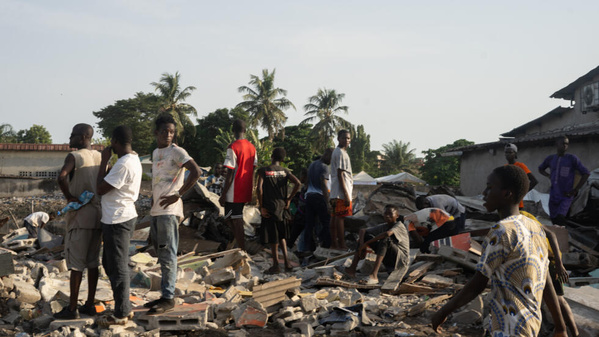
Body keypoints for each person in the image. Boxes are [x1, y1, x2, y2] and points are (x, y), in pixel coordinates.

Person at [432, 165, 567, 337]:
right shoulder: (534, 227)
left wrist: (442, 312)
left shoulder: (502, 231)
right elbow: (545, 277)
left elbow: (477, 285)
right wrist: (560, 326)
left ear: (506, 193)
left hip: (509, 328)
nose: (483, 192)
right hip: (531, 324)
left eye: (489, 187)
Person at [145, 114, 200, 315]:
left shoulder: (178, 152)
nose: (168, 135)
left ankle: (168, 298)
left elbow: (196, 172)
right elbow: (159, 179)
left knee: (168, 253)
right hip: (157, 209)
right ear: (156, 133)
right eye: (165, 131)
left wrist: (178, 194)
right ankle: (164, 295)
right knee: (161, 253)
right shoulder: (155, 152)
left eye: (171, 132)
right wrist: (153, 197)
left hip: (170, 210)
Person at [54, 123, 103, 320]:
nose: (70, 139)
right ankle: (89, 304)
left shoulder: (74, 157)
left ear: (83, 137)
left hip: (80, 215)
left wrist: (69, 197)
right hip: (98, 215)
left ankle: (72, 307)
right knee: (93, 263)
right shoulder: (100, 156)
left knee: (75, 264)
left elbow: (61, 177)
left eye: (73, 135)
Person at [96, 125, 142, 326]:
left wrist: (104, 161)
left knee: (118, 266)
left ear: (115, 141)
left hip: (118, 219)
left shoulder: (123, 164)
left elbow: (100, 188)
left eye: (111, 142)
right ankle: (123, 307)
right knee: (109, 263)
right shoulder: (132, 159)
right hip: (118, 217)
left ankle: (122, 313)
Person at [256, 148, 301, 274]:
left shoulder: (264, 171)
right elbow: (297, 183)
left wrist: (261, 206)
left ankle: (276, 265)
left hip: (270, 208)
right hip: (282, 208)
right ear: (282, 160)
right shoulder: (285, 171)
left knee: (273, 238)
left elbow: (259, 189)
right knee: (281, 237)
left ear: (272, 156)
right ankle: (287, 263)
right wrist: (288, 199)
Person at [343, 205, 410, 285]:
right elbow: (363, 231)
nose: (387, 216)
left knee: (385, 240)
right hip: (388, 258)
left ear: (397, 216)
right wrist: (362, 245)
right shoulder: (384, 226)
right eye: (385, 213)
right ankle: (352, 269)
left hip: (400, 260)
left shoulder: (399, 225)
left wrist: (366, 244)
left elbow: (387, 234)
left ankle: (374, 275)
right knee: (366, 236)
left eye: (390, 213)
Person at [219, 119, 257, 251]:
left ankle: (242, 248)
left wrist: (223, 194)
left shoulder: (233, 147)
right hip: (245, 187)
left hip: (234, 190)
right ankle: (238, 244)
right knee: (231, 217)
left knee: (236, 218)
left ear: (232, 130)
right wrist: (252, 188)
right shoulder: (252, 147)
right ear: (245, 130)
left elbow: (230, 172)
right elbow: (253, 168)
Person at [539, 135, 590, 225]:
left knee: (560, 218)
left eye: (567, 144)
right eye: (563, 143)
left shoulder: (572, 159)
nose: (565, 145)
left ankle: (563, 237)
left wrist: (575, 190)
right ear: (557, 144)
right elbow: (541, 168)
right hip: (554, 195)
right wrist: (548, 175)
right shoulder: (551, 159)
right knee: (553, 220)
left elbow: (586, 173)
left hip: (566, 195)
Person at [302, 148, 334, 252]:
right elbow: (324, 185)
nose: (331, 161)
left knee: (309, 224)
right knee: (326, 222)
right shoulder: (324, 167)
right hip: (319, 197)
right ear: (328, 155)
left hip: (309, 197)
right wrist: (328, 202)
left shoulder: (312, 164)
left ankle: (308, 248)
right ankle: (326, 245)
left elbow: (307, 181)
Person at [330, 130, 352, 250]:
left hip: (335, 191)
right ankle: (341, 244)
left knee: (334, 217)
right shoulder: (340, 153)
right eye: (344, 138)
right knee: (340, 218)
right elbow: (340, 174)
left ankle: (334, 244)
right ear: (338, 138)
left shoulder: (339, 152)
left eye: (348, 138)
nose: (346, 140)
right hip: (340, 192)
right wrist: (346, 195)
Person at [504, 143, 538, 209]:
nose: (507, 154)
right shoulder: (505, 167)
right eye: (506, 152)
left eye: (510, 152)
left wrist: (521, 192)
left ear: (515, 154)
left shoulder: (520, 166)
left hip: (517, 204)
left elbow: (534, 181)